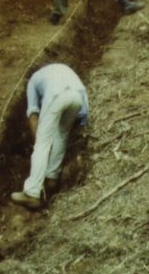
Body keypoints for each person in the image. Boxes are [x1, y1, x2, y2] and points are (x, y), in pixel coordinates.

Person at [9, 63, 89, 209]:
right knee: (61, 135)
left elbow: (33, 114)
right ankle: (52, 178)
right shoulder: (64, 70)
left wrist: (37, 141)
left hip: (56, 95)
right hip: (77, 98)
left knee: (42, 143)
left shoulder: (33, 81)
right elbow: (83, 105)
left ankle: (32, 193)